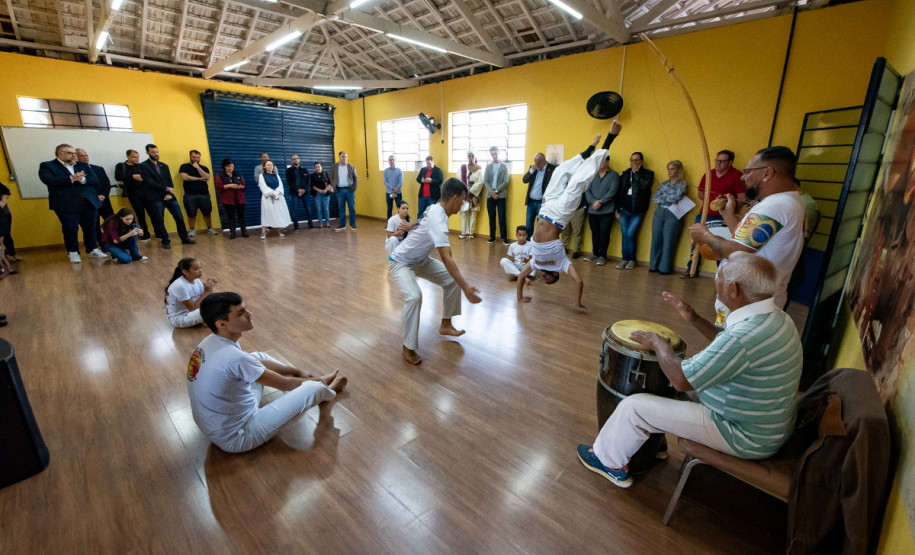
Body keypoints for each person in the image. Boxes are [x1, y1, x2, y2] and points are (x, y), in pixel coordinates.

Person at [576, 253, 802, 488]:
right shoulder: (776, 318)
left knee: (634, 408)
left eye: (720, 277)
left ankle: (608, 462)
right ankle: (653, 446)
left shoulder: (743, 337)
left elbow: (681, 379)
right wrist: (694, 318)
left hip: (742, 435)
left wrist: (658, 343)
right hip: (763, 424)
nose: (716, 281)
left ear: (733, 289)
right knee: (662, 390)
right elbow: (729, 345)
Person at [187, 292, 348, 454]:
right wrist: (315, 380)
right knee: (313, 388)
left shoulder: (211, 341)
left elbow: (250, 363)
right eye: (241, 313)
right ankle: (327, 389)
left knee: (256, 357)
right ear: (222, 324)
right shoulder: (233, 358)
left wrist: (296, 371)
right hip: (236, 436)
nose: (250, 315)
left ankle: (317, 384)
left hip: (216, 424)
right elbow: (284, 383)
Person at [689, 146, 806, 312]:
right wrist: (728, 215)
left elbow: (737, 251)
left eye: (748, 171)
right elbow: (744, 242)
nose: (743, 177)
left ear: (767, 173)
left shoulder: (775, 206)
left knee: (731, 338)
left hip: (749, 301)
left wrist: (704, 234)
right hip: (747, 298)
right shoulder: (780, 202)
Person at [516, 126, 620, 309]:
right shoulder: (562, 265)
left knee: (560, 170)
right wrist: (577, 302)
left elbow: (521, 277)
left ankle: (589, 150)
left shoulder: (536, 263)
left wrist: (519, 298)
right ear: (555, 276)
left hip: (546, 208)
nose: (544, 278)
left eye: (544, 280)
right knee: (578, 182)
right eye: (548, 280)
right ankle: (609, 139)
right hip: (560, 215)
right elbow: (579, 282)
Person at [388, 178, 482, 365]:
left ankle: (446, 324)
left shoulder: (435, 208)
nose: (462, 204)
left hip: (420, 260)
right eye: (462, 200)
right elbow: (446, 258)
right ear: (454, 198)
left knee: (451, 279)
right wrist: (466, 288)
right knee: (414, 296)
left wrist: (411, 226)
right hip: (401, 262)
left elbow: (423, 222)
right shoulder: (439, 218)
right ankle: (408, 347)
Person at [38, 143, 106, 263]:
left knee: (91, 227)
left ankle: (92, 249)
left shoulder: (82, 165)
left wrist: (83, 179)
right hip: (66, 204)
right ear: (60, 153)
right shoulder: (48, 166)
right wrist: (71, 178)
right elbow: (48, 180)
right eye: (70, 153)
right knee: (70, 228)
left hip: (88, 201)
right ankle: (73, 252)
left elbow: (95, 179)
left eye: (74, 153)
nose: (73, 155)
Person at [682, 149, 745, 278]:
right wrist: (710, 203)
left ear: (730, 162)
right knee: (696, 240)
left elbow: (742, 198)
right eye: (717, 160)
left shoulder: (736, 175)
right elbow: (701, 193)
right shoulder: (709, 174)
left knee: (718, 244)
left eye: (722, 161)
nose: (718, 164)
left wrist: (726, 203)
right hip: (705, 214)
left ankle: (722, 274)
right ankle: (691, 269)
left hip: (723, 217)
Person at [138, 143, 195, 249]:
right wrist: (166, 189)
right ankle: (165, 240)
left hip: (169, 196)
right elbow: (149, 182)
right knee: (159, 219)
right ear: (147, 153)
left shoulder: (164, 166)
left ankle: (184, 238)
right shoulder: (143, 166)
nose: (156, 154)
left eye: (157, 152)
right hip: (155, 197)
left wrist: (169, 192)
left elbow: (169, 181)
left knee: (179, 217)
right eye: (153, 152)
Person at [616, 152, 654, 269]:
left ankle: (632, 260)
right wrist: (616, 209)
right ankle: (624, 259)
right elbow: (619, 192)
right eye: (632, 160)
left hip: (637, 211)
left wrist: (636, 173)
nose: (634, 163)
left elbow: (645, 185)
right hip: (623, 210)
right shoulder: (625, 174)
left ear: (641, 161)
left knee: (630, 234)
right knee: (625, 235)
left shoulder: (648, 174)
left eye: (637, 160)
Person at [648, 160, 688, 274]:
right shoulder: (663, 184)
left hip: (673, 213)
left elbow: (675, 197)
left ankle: (664, 267)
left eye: (673, 169)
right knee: (656, 238)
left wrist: (664, 197)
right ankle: (653, 265)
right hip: (660, 211)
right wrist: (667, 198)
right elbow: (655, 198)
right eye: (668, 169)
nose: (670, 172)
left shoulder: (682, 184)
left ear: (678, 170)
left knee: (669, 239)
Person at [583, 153, 620, 266]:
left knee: (604, 233)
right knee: (595, 233)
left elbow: (613, 191)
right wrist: (593, 201)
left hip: (607, 211)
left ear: (607, 162)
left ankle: (602, 256)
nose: (598, 163)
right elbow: (587, 190)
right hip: (592, 210)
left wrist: (601, 202)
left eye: (601, 161)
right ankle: (595, 253)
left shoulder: (614, 175)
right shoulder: (593, 175)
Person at [75, 148, 114, 245]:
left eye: (86, 155)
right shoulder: (76, 171)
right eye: (81, 156)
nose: (85, 157)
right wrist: (95, 196)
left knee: (111, 221)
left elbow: (107, 183)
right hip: (90, 202)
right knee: (94, 224)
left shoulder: (98, 168)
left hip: (104, 200)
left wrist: (103, 195)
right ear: (75, 157)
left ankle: (114, 240)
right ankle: (102, 243)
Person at [165, 257, 217, 328]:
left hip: (193, 311)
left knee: (220, 300)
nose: (200, 271)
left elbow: (206, 298)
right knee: (214, 310)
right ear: (185, 272)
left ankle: (204, 320)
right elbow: (192, 309)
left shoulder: (196, 280)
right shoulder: (180, 286)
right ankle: (205, 320)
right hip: (180, 318)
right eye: (196, 269)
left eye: (200, 268)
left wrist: (210, 287)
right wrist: (206, 291)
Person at [179, 149, 217, 237]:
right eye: (194, 157)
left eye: (197, 157)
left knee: (207, 212)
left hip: (204, 194)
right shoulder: (184, 166)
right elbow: (185, 177)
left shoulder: (204, 168)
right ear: (190, 157)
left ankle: (210, 228)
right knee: (191, 213)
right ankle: (192, 229)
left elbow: (207, 177)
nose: (196, 159)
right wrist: (200, 179)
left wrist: (197, 167)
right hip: (190, 195)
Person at [115, 149, 150, 241]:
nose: (136, 159)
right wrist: (132, 176)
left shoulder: (141, 166)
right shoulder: (122, 166)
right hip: (133, 194)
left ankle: (158, 234)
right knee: (140, 214)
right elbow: (118, 177)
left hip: (146, 192)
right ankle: (144, 234)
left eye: (138, 157)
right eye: (134, 157)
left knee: (152, 213)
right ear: (128, 156)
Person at [522, 152, 557, 233]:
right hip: (531, 202)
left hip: (542, 203)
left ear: (543, 161)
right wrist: (531, 170)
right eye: (535, 162)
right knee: (528, 225)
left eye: (537, 163)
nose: (536, 164)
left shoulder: (552, 169)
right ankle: (529, 244)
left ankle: (538, 244)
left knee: (540, 226)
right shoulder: (533, 168)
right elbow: (524, 180)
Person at [257, 160, 292, 239]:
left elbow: (280, 186)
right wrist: (270, 194)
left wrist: (275, 194)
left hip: (277, 198)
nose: (270, 167)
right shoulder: (261, 175)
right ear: (264, 166)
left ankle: (279, 231)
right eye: (268, 165)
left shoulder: (276, 175)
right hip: (267, 198)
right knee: (266, 214)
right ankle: (263, 232)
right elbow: (262, 186)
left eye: (271, 165)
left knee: (279, 213)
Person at [214, 158, 248, 239]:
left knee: (241, 216)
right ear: (225, 167)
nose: (231, 168)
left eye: (232, 166)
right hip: (228, 200)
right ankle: (232, 233)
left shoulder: (238, 174)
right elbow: (218, 186)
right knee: (231, 216)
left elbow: (244, 185)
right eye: (229, 166)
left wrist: (240, 186)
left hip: (239, 198)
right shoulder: (220, 175)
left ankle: (244, 231)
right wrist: (229, 185)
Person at [483, 146, 510, 245]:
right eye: (492, 154)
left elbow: (506, 181)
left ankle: (504, 238)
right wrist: (492, 192)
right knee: (491, 217)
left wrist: (496, 191)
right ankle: (492, 237)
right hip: (490, 195)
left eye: (495, 153)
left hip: (500, 195)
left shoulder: (504, 166)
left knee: (502, 217)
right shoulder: (488, 166)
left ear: (498, 152)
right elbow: (485, 181)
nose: (494, 156)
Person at [459, 151, 484, 239]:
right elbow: (459, 180)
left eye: (472, 156)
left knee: (473, 213)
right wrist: (464, 192)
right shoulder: (463, 168)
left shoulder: (479, 169)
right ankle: (464, 232)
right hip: (464, 194)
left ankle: (471, 233)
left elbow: (480, 182)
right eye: (469, 156)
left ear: (475, 156)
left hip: (474, 195)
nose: (470, 157)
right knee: (464, 213)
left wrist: (471, 192)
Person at [285, 154, 313, 231]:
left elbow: (308, 181)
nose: (296, 160)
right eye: (294, 159)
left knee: (308, 208)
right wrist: (298, 190)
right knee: (295, 210)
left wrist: (303, 190)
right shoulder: (289, 171)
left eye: (297, 158)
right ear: (291, 161)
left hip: (305, 193)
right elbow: (289, 182)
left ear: (299, 160)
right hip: (294, 193)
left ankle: (311, 225)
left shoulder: (305, 170)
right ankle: (296, 227)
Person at [331, 151, 358, 231]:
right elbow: (331, 178)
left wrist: (354, 188)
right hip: (339, 190)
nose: (344, 158)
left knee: (351, 208)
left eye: (346, 156)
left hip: (349, 190)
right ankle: (342, 225)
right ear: (339, 157)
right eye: (343, 156)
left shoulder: (351, 166)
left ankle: (352, 224)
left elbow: (355, 178)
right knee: (341, 208)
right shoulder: (334, 167)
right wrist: (334, 187)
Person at [311, 162, 333, 228]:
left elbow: (330, 183)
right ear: (314, 168)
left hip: (325, 194)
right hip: (317, 194)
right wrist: (319, 190)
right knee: (319, 209)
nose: (317, 168)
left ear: (321, 167)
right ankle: (320, 223)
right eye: (316, 167)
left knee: (326, 209)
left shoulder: (325, 174)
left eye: (318, 166)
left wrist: (325, 190)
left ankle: (327, 222)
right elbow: (312, 186)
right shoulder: (312, 175)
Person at [383, 155, 403, 219]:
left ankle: (400, 223)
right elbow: (385, 182)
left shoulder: (399, 170)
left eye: (393, 160)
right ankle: (389, 224)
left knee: (399, 208)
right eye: (390, 160)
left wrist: (396, 190)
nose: (391, 161)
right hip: (389, 193)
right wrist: (392, 188)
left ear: (395, 161)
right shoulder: (386, 171)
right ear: (388, 161)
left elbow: (401, 182)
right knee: (389, 208)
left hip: (398, 193)